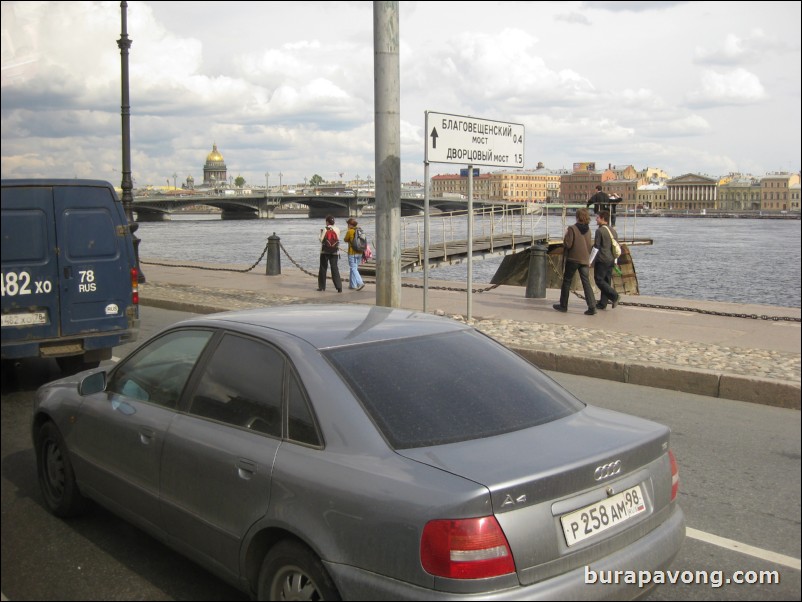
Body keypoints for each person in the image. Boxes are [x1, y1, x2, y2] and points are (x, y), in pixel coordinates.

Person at [553, 207, 597, 315]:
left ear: (577, 217)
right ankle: (592, 306)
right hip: (584, 259)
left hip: (573, 259)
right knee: (586, 282)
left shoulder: (572, 228)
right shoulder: (589, 230)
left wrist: (566, 235)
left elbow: (568, 244)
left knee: (567, 281)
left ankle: (563, 305)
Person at [591, 209, 621, 310]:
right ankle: (603, 303)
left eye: (598, 217)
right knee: (607, 281)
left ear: (603, 219)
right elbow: (616, 247)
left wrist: (590, 261)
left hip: (602, 259)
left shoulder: (599, 231)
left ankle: (614, 295)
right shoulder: (613, 230)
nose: (596, 219)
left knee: (599, 280)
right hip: (611, 260)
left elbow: (596, 247)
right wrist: (615, 261)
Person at [317, 215, 342, 293]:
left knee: (323, 268)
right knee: (334, 268)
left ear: (327, 222)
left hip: (325, 251)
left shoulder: (325, 229)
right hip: (335, 251)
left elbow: (321, 240)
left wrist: (320, 233)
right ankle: (339, 287)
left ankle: (322, 287)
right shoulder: (337, 229)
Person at [343, 217, 365, 291]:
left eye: (348, 224)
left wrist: (348, 232)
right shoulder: (360, 230)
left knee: (353, 268)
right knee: (354, 268)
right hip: (360, 252)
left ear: (350, 224)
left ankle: (360, 283)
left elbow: (345, 239)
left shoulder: (350, 231)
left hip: (352, 252)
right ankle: (353, 285)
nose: (347, 225)